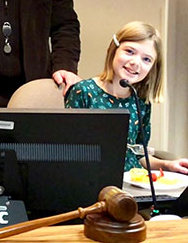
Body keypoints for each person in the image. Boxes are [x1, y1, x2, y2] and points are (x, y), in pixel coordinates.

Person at [65, 21, 188, 174]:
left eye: (146, 59)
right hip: (94, 182)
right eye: (129, 51)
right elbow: (69, 153)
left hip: (132, 182)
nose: (135, 63)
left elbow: (138, 156)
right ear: (113, 50)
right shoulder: (83, 91)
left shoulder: (141, 101)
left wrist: (169, 165)